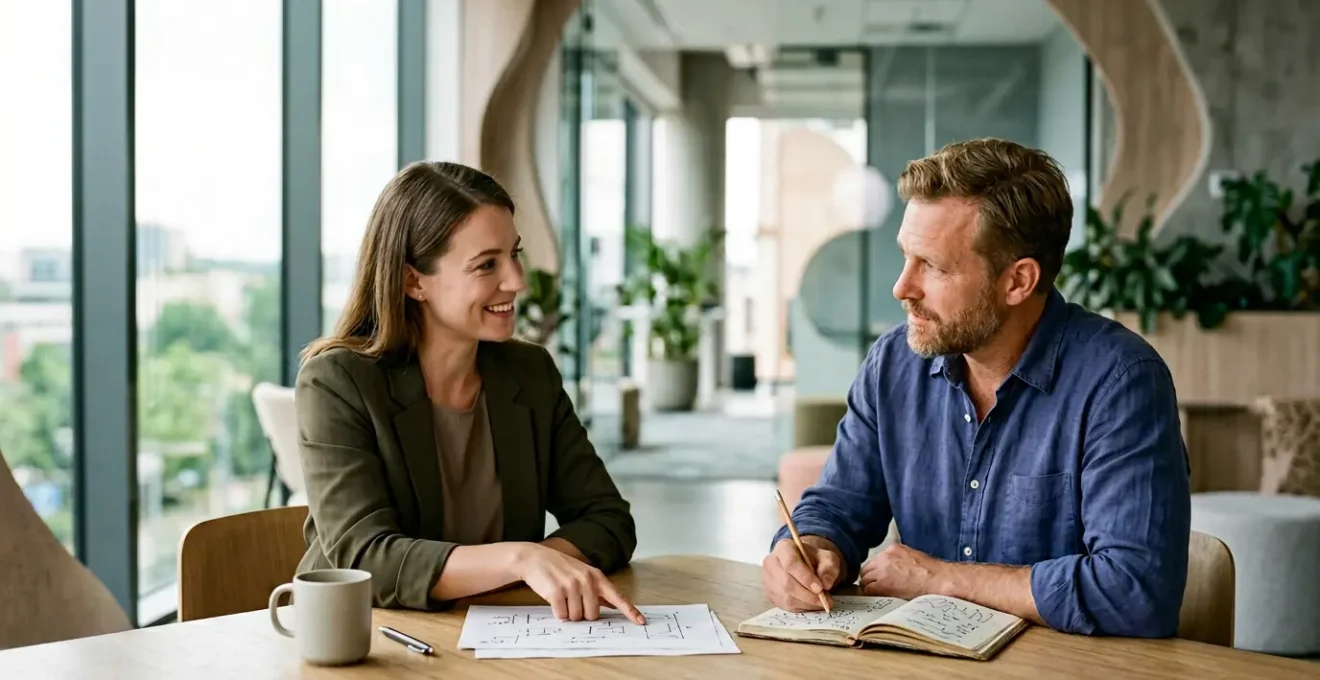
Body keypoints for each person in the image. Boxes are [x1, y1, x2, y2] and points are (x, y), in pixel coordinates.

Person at [762, 138, 1191, 638]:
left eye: (934, 266)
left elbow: (1136, 592)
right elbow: (839, 505)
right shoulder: (893, 363)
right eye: (906, 257)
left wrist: (942, 579)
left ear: (1018, 282)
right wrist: (810, 549)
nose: (902, 287)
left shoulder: (1121, 382)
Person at [295, 161, 644, 625]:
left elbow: (608, 519)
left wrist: (544, 563)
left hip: (498, 634)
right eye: (487, 265)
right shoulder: (337, 382)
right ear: (413, 280)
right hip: (368, 637)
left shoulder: (529, 372)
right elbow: (363, 559)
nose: (517, 280)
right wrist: (520, 561)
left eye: (514, 254)